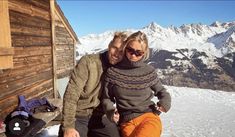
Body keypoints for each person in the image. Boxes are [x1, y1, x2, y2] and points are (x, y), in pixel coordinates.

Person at [102, 31, 171, 137]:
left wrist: (165, 102)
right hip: (126, 122)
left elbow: (162, 92)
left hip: (148, 117)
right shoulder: (113, 72)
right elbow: (106, 98)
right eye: (130, 50)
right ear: (125, 47)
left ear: (144, 53)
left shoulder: (148, 71)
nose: (133, 55)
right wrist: (110, 111)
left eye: (138, 53)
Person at [59, 32, 128, 137]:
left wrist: (112, 112)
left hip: (101, 116)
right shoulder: (88, 62)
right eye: (115, 48)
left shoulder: (120, 70)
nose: (116, 54)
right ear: (109, 45)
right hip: (78, 115)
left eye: (121, 51)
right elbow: (71, 94)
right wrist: (68, 126)